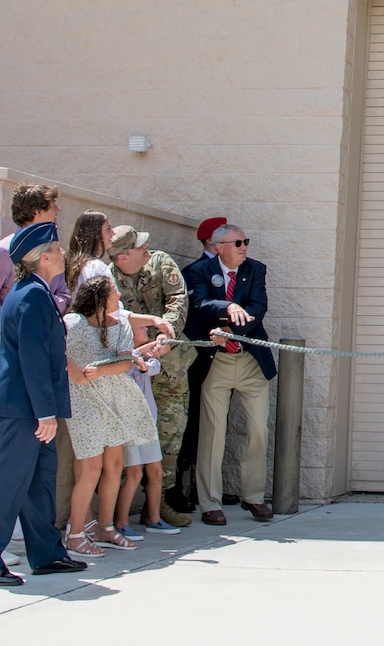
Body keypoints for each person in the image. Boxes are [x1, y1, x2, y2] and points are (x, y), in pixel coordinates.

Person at [0, 222, 82, 587]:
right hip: (24, 408)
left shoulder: (35, 291)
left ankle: (47, 554)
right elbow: (33, 359)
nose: (64, 253)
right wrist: (45, 412)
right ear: (44, 257)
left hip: (27, 406)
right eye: (59, 248)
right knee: (10, 481)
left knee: (38, 483)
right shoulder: (32, 295)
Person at [0, 183, 63, 567]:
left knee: (33, 454)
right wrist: (13, 322)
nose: (58, 216)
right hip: (6, 348)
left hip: (33, 346)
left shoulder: (48, 260)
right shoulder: (4, 252)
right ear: (37, 211)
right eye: (54, 209)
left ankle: (34, 546)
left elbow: (60, 296)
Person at [60, 274, 158, 558]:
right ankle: (76, 534)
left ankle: (105, 526)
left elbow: (126, 361)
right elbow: (56, 351)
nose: (118, 296)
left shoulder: (120, 327)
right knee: (91, 468)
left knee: (114, 464)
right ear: (101, 299)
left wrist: (101, 371)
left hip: (115, 400)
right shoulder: (72, 325)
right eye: (114, 291)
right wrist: (74, 370)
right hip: (83, 401)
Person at [188, 222, 279, 525]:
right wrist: (228, 306)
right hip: (217, 363)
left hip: (249, 359)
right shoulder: (199, 271)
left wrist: (229, 329)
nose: (244, 248)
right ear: (218, 247)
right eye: (237, 243)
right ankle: (209, 502)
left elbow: (258, 307)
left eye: (245, 242)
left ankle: (253, 497)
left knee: (258, 429)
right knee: (213, 431)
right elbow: (199, 303)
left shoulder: (255, 269)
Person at [108, 225, 192, 530]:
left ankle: (161, 503)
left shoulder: (160, 262)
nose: (147, 248)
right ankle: (117, 511)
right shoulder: (108, 279)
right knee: (126, 439)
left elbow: (178, 300)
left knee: (171, 434)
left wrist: (165, 334)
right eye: (139, 247)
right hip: (130, 371)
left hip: (170, 366)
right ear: (121, 257)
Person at [170, 215, 228, 513]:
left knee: (217, 421)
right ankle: (181, 486)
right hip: (201, 353)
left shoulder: (235, 270)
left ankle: (210, 484)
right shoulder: (194, 271)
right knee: (190, 420)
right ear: (211, 242)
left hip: (228, 354)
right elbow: (199, 307)